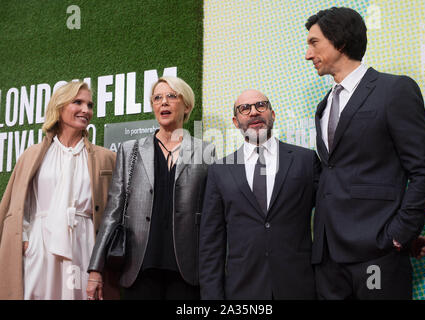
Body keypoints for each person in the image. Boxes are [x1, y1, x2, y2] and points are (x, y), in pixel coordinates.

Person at [305, 7, 425, 299]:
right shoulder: (324, 105)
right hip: (328, 259)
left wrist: (399, 235)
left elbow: (424, 172)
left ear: (339, 42)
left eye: (314, 43)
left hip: (376, 253)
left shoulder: (394, 90)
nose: (307, 53)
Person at [87, 76, 215, 300]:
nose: (163, 102)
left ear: (187, 105)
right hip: (140, 267)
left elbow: (212, 215)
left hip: (186, 270)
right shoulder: (131, 149)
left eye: (171, 96)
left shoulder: (206, 151)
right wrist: (95, 268)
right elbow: (113, 211)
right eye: (157, 98)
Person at [199, 89, 320, 299]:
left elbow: (329, 218)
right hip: (243, 291)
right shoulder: (220, 170)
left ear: (273, 114)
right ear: (236, 122)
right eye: (245, 108)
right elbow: (211, 242)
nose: (254, 112)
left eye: (260, 105)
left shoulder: (306, 161)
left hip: (300, 287)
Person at [0, 81, 116, 300]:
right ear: (60, 107)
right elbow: (17, 206)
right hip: (40, 245)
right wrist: (26, 239)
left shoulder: (106, 158)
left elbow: (113, 214)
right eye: (78, 102)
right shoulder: (32, 155)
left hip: (84, 243)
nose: (86, 110)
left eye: (89, 105)